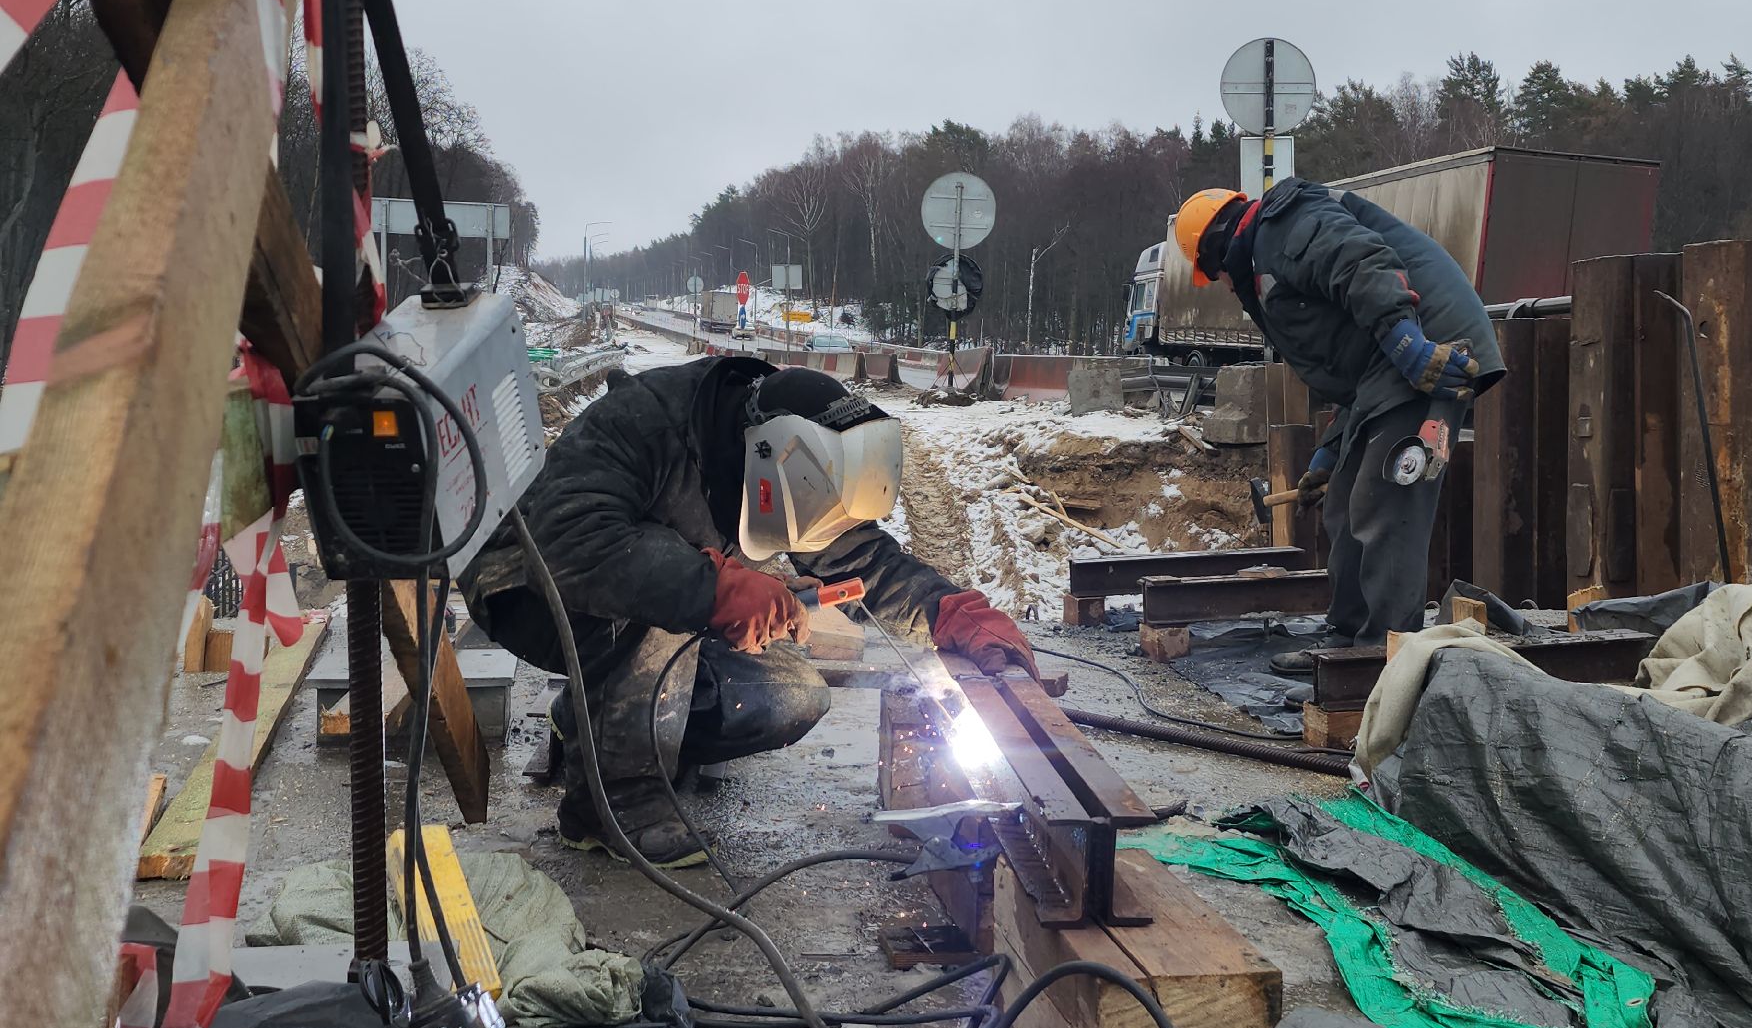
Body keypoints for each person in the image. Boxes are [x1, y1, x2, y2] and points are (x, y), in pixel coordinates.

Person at [460, 359, 1039, 866]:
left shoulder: (783, 447)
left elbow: (858, 555)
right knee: (663, 608)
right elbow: (569, 540)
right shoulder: (646, 425)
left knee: (792, 696)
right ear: (769, 458)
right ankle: (612, 803)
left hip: (642, 586)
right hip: (526, 586)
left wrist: (948, 611)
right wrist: (716, 586)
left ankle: (591, 720)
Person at [1172, 180, 1506, 666]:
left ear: (1216, 250)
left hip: (1433, 350)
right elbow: (1354, 369)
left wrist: (1406, 342)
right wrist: (1331, 451)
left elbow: (1360, 260)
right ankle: (1348, 642)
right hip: (1387, 367)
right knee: (1346, 507)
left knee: (1386, 505)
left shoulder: (1283, 227)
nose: (1223, 284)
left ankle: (1383, 656)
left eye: (1213, 274)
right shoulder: (1269, 252)